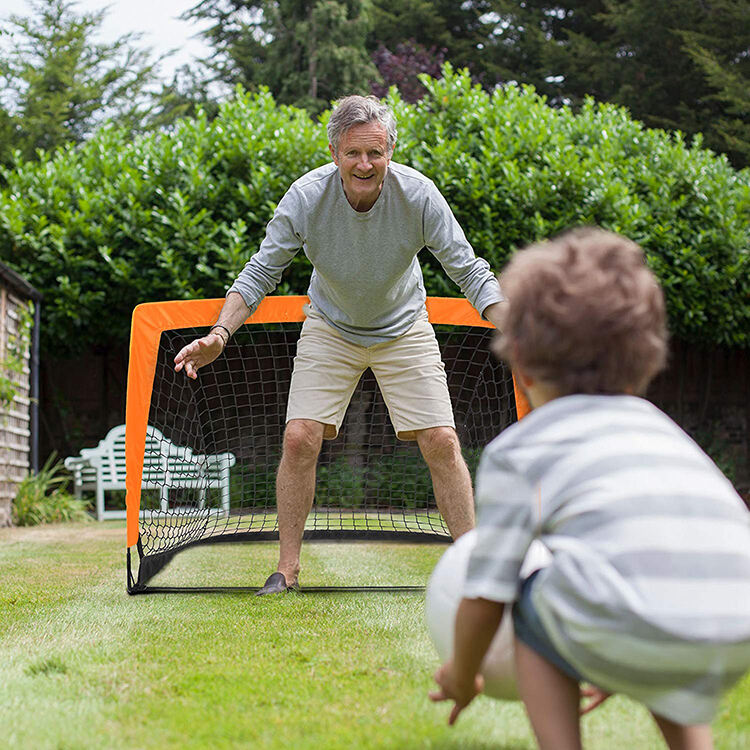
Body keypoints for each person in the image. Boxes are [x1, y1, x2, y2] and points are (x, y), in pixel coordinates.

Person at [429, 228, 750, 750]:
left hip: (643, 621)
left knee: (530, 590)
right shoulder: (661, 429)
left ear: (522, 362)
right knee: (628, 613)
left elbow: (488, 592)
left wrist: (463, 676)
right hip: (735, 619)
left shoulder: (520, 451)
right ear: (644, 358)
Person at [174, 95, 505, 595]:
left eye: (375, 153)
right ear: (334, 152)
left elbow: (468, 268)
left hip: (404, 327)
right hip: (330, 326)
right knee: (299, 437)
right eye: (353, 153)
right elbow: (261, 271)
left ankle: (473, 570)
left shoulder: (419, 195)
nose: (365, 164)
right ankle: (286, 570)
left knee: (442, 440)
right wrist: (220, 334)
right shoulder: (307, 198)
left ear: (390, 150)